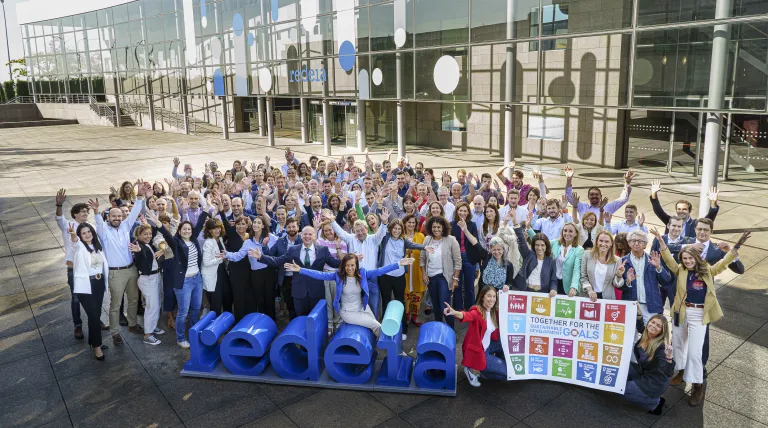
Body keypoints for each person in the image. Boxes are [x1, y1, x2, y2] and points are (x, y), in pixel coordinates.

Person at [651, 228, 751, 406]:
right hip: (681, 312)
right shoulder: (680, 269)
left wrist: (736, 247)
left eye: (690, 258)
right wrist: (660, 239)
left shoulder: (707, 271)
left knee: (695, 352)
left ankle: (697, 385)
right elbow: (667, 258)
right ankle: (681, 371)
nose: (688, 261)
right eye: (685, 259)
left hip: (698, 314)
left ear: (696, 258)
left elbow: (724, 262)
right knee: (679, 345)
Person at [284, 254, 414, 336]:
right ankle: (392, 350)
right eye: (347, 266)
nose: (350, 268)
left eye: (352, 265)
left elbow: (379, 271)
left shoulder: (362, 274)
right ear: (343, 266)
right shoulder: (338, 276)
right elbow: (319, 275)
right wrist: (300, 270)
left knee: (374, 326)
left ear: (356, 266)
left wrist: (398, 264)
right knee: (377, 326)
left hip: (362, 308)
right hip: (348, 313)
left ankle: (376, 348)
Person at [89, 181, 151, 345]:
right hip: (115, 273)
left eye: (119, 216)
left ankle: (132, 324)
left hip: (131, 270)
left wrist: (140, 195)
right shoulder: (103, 231)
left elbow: (136, 210)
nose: (117, 218)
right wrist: (96, 210)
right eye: (113, 216)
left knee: (133, 299)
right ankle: (115, 332)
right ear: (108, 217)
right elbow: (98, 221)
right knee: (116, 304)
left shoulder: (125, 226)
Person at [146, 210, 209, 349]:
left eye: (189, 229)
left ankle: (194, 333)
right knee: (183, 312)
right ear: (179, 231)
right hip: (184, 282)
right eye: (184, 229)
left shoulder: (193, 240)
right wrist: (158, 224)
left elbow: (198, 225)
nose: (187, 231)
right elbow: (168, 236)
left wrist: (207, 209)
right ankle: (180, 338)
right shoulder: (176, 243)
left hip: (197, 280)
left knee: (196, 308)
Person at [252, 226, 341, 316]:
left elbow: (334, 263)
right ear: (301, 235)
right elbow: (277, 261)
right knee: (300, 320)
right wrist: (261, 257)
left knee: (317, 319)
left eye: (310, 234)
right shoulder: (293, 250)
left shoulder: (323, 250)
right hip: (299, 292)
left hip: (317, 292)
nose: (307, 236)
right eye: (305, 234)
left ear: (314, 236)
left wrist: (350, 260)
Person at [55, 189, 108, 339]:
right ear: (74, 214)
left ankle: (96, 319)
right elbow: (59, 218)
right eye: (82, 211)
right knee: (77, 298)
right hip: (75, 270)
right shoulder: (68, 225)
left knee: (96, 297)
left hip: (92, 270)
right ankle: (77, 326)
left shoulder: (90, 227)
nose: (85, 213)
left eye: (86, 211)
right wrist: (59, 204)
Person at [327, 208, 390, 318]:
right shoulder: (351, 238)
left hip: (371, 278)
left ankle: (374, 328)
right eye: (357, 231)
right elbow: (340, 232)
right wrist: (332, 221)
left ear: (366, 229)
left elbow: (381, 233)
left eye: (362, 230)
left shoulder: (373, 239)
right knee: (356, 306)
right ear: (354, 231)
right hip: (355, 278)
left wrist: (384, 223)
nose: (360, 233)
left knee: (373, 304)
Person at [444, 285, 507, 387]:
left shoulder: (493, 312)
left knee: (507, 344)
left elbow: (509, 309)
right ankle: (474, 370)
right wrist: (454, 312)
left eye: (494, 296)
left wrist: (505, 292)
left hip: (489, 345)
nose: (492, 299)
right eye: (489, 296)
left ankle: (484, 370)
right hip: (479, 351)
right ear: (482, 297)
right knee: (508, 374)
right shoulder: (478, 311)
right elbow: (467, 315)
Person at [377, 218, 428, 340]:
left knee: (400, 302)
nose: (396, 231)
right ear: (391, 229)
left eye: (399, 229)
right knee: (386, 302)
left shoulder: (403, 240)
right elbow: (380, 230)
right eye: (395, 228)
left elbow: (414, 245)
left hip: (399, 276)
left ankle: (404, 328)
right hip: (385, 276)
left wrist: (425, 248)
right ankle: (385, 329)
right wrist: (383, 221)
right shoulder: (385, 238)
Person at [68, 222, 109, 360]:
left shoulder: (98, 247)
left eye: (89, 232)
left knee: (95, 315)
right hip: (86, 285)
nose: (87, 235)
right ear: (80, 235)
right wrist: (73, 234)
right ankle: (97, 346)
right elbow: (74, 243)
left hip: (98, 284)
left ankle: (94, 341)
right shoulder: (79, 247)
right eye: (83, 233)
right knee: (93, 316)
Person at [621, 314, 674, 415]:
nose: (654, 326)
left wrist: (669, 357)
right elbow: (641, 327)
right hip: (645, 373)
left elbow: (668, 372)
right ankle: (645, 395)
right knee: (621, 374)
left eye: (658, 326)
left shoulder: (661, 348)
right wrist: (639, 315)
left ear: (662, 331)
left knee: (621, 389)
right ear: (648, 322)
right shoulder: (647, 335)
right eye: (653, 322)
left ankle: (655, 404)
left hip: (654, 382)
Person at [420, 216, 461, 328]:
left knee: (445, 307)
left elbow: (458, 262)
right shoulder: (427, 239)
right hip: (431, 278)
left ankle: (451, 331)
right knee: (436, 306)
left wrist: (455, 280)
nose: (436, 229)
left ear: (443, 228)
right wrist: (424, 273)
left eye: (439, 227)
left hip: (444, 278)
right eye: (434, 227)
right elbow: (422, 258)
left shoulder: (451, 240)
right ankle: (439, 330)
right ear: (430, 227)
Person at [622, 230, 670, 325]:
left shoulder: (653, 259)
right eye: (633, 240)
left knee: (651, 335)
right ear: (629, 243)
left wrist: (658, 267)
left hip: (651, 305)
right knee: (631, 336)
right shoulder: (623, 261)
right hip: (631, 305)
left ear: (645, 245)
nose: (636, 243)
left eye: (640, 241)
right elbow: (618, 285)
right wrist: (627, 281)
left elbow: (666, 280)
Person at [529, 217, 583, 296]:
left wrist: (574, 287)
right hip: (552, 282)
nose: (567, 233)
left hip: (568, 286)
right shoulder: (555, 243)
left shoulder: (579, 250)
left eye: (571, 231)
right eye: (565, 230)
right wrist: (528, 228)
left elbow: (576, 270)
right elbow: (539, 241)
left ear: (576, 234)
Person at [129, 224, 164, 345]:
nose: (148, 236)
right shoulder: (139, 246)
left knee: (157, 304)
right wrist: (139, 251)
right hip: (148, 279)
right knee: (151, 307)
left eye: (149, 233)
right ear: (139, 235)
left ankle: (153, 326)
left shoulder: (148, 244)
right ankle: (147, 334)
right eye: (145, 234)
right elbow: (140, 253)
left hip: (156, 276)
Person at [649, 180, 719, 238]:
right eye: (679, 209)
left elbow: (709, 218)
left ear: (690, 211)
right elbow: (658, 211)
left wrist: (713, 203)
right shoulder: (670, 221)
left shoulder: (695, 224)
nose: (681, 211)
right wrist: (654, 195)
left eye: (684, 209)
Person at [564, 165, 634, 217]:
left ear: (601, 196)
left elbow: (623, 199)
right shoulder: (582, 207)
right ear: (588, 197)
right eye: (591, 194)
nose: (594, 196)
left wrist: (627, 183)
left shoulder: (608, 207)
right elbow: (569, 197)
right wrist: (569, 179)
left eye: (596, 194)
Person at [580, 231, 626, 301]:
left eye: (607, 241)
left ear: (611, 244)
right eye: (601, 241)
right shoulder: (586, 255)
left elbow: (617, 285)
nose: (603, 244)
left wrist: (619, 275)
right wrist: (589, 290)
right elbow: (583, 277)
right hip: (587, 296)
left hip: (607, 299)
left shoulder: (617, 260)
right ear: (597, 242)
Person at [451, 202, 481, 311]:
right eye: (460, 210)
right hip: (456, 258)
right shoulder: (452, 224)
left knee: (469, 286)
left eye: (465, 211)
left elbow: (475, 242)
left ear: (468, 212)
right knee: (457, 285)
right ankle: (457, 308)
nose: (463, 213)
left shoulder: (472, 225)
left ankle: (470, 308)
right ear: (457, 212)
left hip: (469, 258)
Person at [513, 222, 557, 295]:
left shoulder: (551, 261)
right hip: (526, 291)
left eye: (542, 245)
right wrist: (515, 222)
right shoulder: (528, 255)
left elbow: (553, 280)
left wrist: (553, 289)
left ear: (546, 246)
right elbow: (521, 241)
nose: (539, 248)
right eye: (537, 245)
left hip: (543, 293)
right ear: (534, 246)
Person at [201, 218, 230, 315]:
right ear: (209, 230)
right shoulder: (208, 243)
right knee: (216, 304)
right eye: (214, 229)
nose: (217, 230)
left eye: (219, 228)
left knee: (227, 298)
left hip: (222, 273)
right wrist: (222, 259)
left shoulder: (220, 239)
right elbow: (206, 262)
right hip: (213, 275)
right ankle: (214, 326)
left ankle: (226, 322)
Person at [402, 214, 426, 326]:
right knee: (406, 294)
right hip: (405, 271)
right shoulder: (401, 236)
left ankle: (414, 317)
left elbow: (424, 254)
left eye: (413, 222)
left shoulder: (421, 236)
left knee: (417, 294)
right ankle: (406, 316)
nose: (411, 224)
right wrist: (407, 252)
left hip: (417, 270)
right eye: (409, 222)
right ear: (405, 223)